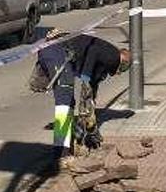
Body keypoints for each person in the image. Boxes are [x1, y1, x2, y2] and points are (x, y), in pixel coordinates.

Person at [31, 30, 131, 164]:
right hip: (58, 51)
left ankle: (65, 146)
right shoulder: (113, 57)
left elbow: (93, 85)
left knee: (68, 102)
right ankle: (61, 152)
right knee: (64, 103)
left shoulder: (106, 57)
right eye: (123, 69)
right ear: (123, 61)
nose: (119, 72)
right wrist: (85, 74)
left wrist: (90, 114)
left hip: (53, 49)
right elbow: (93, 51)